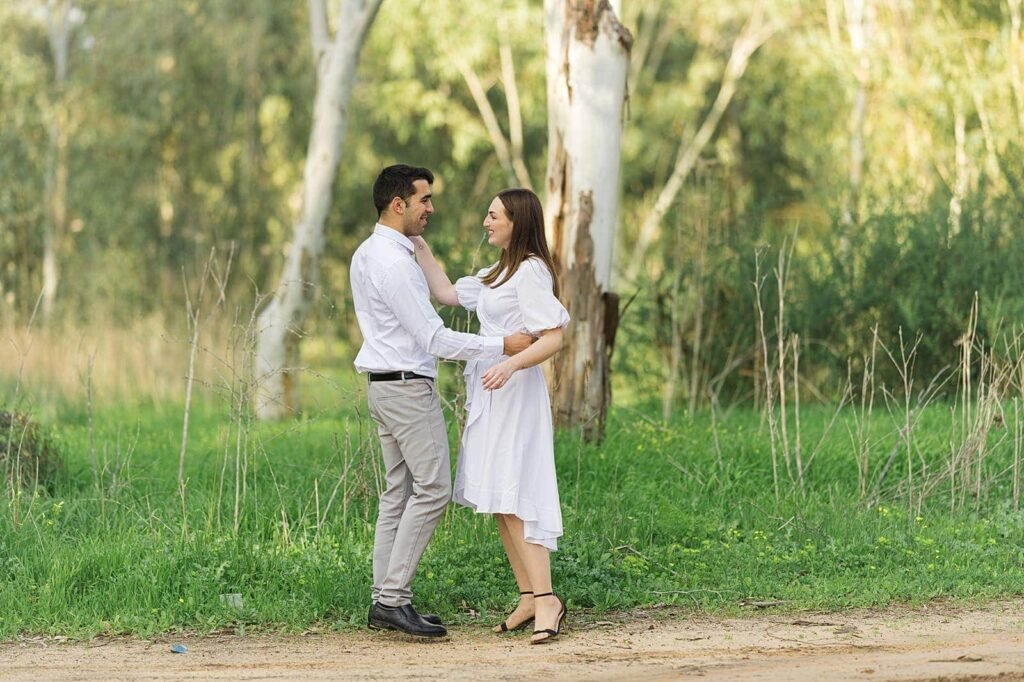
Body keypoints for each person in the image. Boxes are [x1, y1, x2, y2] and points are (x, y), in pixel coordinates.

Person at [350, 165, 534, 638]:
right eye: (424, 200)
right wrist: (502, 346)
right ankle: (393, 599)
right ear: (399, 204)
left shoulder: (370, 252)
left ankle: (383, 597)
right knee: (431, 490)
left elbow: (444, 298)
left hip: (383, 385)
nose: (430, 208)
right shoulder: (393, 263)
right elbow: (434, 337)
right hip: (408, 388)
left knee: (398, 493)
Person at [412, 188, 570, 644]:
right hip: (491, 392)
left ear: (517, 221)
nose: (486, 221)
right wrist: (416, 244)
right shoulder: (496, 272)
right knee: (500, 498)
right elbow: (444, 293)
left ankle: (547, 600)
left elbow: (554, 336)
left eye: (493, 215)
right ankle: (527, 595)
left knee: (518, 494)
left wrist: (510, 363)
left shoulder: (530, 272)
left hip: (515, 391)